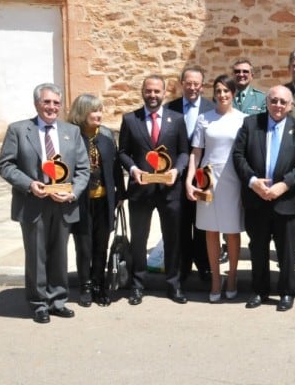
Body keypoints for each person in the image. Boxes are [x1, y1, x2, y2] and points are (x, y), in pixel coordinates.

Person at [0, 83, 89, 323]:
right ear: (37, 103)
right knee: (36, 255)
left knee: (59, 254)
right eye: (47, 102)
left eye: (56, 102)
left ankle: (58, 300)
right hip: (32, 202)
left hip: (63, 202)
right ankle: (39, 303)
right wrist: (29, 184)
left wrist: (72, 193)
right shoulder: (18, 130)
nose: (52, 107)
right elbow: (5, 164)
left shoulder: (72, 131)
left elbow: (83, 169)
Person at [232, 85, 295, 312]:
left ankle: (287, 292)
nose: (278, 105)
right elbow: (238, 156)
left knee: (286, 251)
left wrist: (283, 185)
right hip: (256, 198)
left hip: (285, 200)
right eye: (274, 100)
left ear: (290, 106)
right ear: (267, 101)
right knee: (258, 247)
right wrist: (252, 182)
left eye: (283, 102)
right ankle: (259, 290)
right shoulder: (250, 124)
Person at [118, 75, 190, 305]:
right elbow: (123, 152)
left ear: (164, 93)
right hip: (141, 190)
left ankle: (173, 284)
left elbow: (184, 152)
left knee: (173, 238)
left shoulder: (176, 120)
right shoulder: (130, 120)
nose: (152, 95)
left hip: (170, 190)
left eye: (157, 91)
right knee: (139, 239)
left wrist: (177, 171)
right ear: (142, 92)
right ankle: (137, 285)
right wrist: (133, 169)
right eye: (148, 91)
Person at [184, 75, 246, 303]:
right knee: (210, 230)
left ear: (233, 93)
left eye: (226, 91)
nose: (222, 95)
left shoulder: (243, 119)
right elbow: (196, 152)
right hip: (206, 177)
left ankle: (232, 277)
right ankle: (216, 279)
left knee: (231, 230)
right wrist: (190, 180)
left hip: (232, 178)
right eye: (218, 91)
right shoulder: (204, 119)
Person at [67, 94, 124, 307]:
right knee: (83, 245)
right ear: (82, 113)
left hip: (104, 201)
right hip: (80, 202)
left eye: (100, 110)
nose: (98, 114)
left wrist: (120, 194)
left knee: (101, 245)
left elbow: (116, 169)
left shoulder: (107, 137)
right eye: (93, 111)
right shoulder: (71, 137)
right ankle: (85, 285)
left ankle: (100, 284)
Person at [165, 67, 215, 284]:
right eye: (189, 83)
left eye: (197, 84)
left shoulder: (212, 108)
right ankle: (184, 266)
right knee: (181, 223)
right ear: (181, 84)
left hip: (203, 175)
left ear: (202, 86)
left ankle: (204, 265)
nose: (193, 87)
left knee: (203, 223)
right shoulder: (170, 108)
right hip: (177, 174)